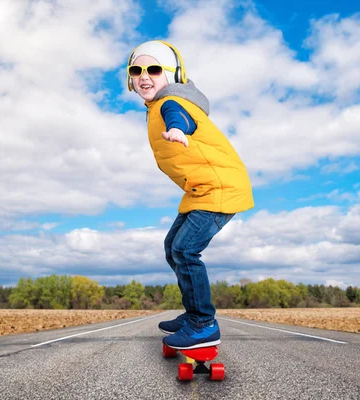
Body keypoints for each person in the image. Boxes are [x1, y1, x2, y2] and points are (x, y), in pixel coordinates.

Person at [127, 40, 254, 349]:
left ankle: (203, 323)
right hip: (200, 190)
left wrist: (177, 130)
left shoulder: (171, 103)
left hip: (220, 187)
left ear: (173, 75)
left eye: (154, 69)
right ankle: (192, 313)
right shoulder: (156, 106)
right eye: (136, 70)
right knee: (173, 247)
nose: (144, 76)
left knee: (185, 250)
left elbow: (180, 117)